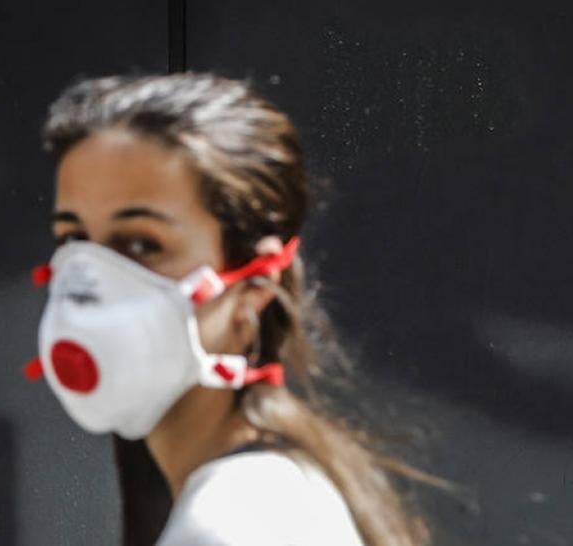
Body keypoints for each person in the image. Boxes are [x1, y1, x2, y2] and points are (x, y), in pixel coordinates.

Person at [24, 72, 436, 546]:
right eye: (74, 240)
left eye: (141, 244)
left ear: (254, 292)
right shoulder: (273, 494)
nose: (89, 285)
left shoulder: (231, 525)